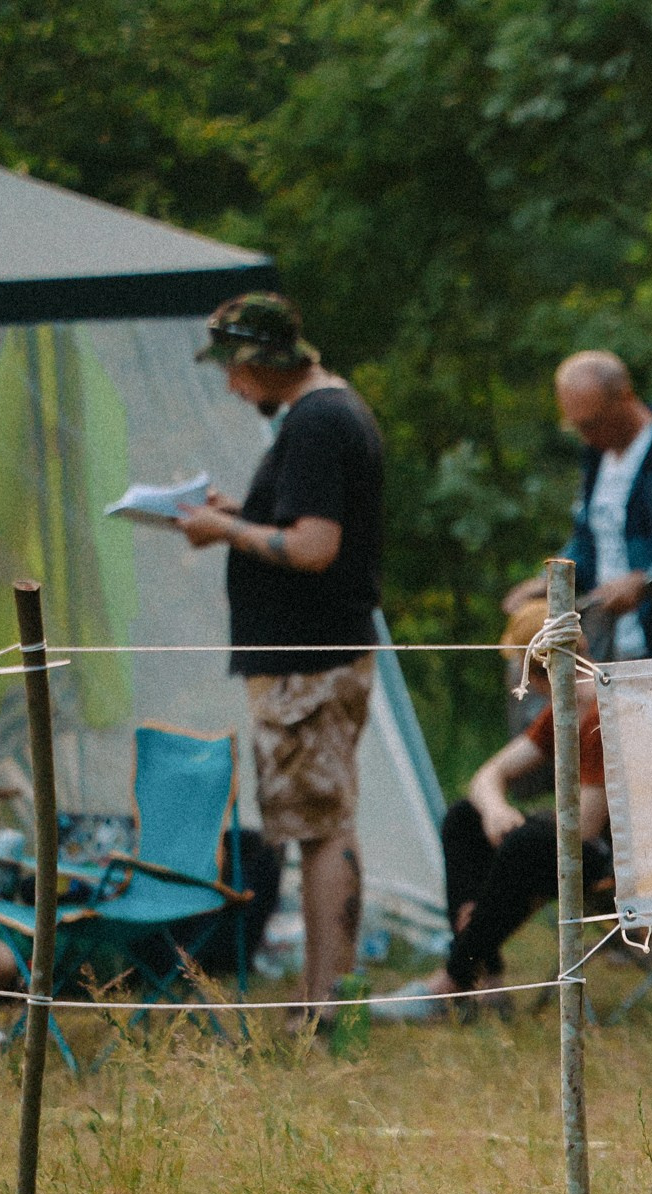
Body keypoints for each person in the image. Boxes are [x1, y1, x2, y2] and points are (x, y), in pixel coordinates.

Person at [174, 292, 384, 1021]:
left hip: (308, 663)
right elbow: (300, 527)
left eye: (235, 368)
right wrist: (240, 518)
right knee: (320, 822)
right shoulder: (326, 414)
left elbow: (313, 546)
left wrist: (222, 532)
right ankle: (325, 994)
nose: (232, 386)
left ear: (264, 360)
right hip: (314, 657)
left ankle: (326, 1003)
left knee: (320, 829)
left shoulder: (320, 421)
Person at [379, 639, 611, 1020]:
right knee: (465, 819)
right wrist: (495, 811)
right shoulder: (566, 709)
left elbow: (584, 830)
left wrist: (519, 827)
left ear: (534, 674)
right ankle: (487, 979)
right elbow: (488, 775)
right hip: (577, 843)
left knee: (527, 842)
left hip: (616, 859)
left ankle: (453, 980)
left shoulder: (601, 710)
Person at [502, 351, 652, 663]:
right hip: (612, 648)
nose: (587, 437)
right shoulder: (597, 457)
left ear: (624, 397)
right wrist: (551, 585)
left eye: (593, 423)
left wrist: (648, 581)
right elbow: (588, 540)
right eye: (577, 427)